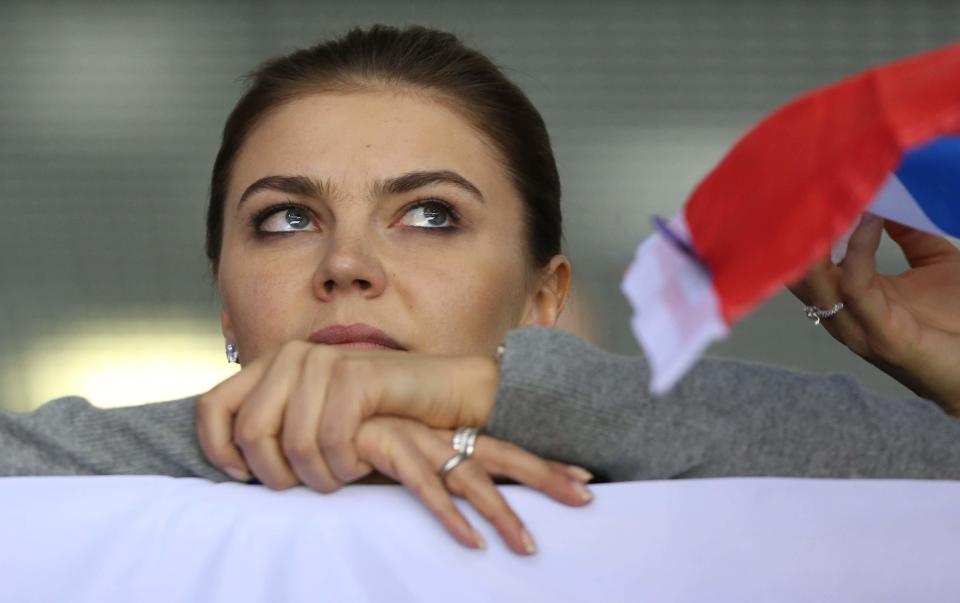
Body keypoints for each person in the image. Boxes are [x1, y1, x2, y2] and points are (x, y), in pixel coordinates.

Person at [2, 25, 960, 556]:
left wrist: (497, 402)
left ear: (545, 302)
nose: (346, 263)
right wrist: (242, 435)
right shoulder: (79, 506)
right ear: (224, 302)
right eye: (286, 218)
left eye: (428, 214)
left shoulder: (730, 510)